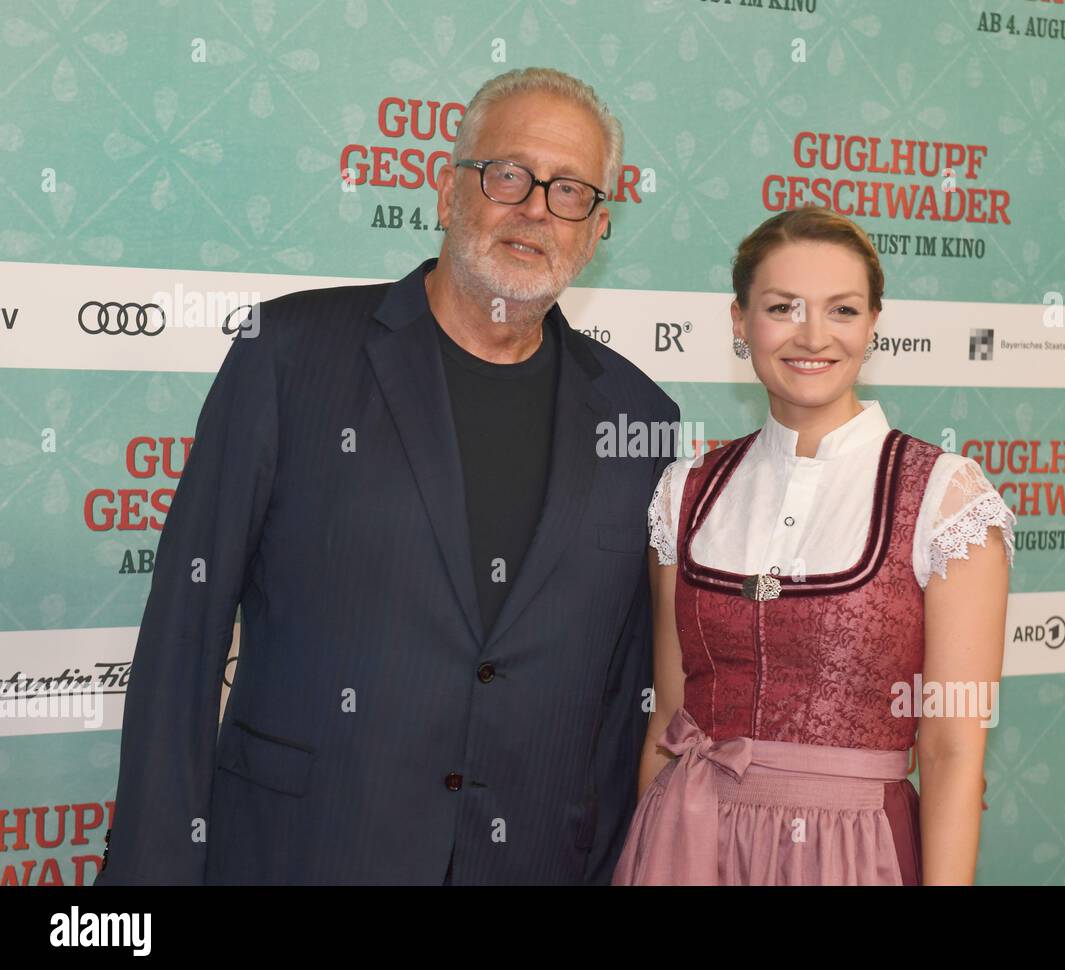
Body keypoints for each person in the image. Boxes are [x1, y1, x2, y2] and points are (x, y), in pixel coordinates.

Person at [96, 67, 679, 885]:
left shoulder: (641, 419)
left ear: (596, 228)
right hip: (303, 853)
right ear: (449, 192)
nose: (536, 207)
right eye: (508, 173)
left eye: (571, 191)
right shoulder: (290, 354)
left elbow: (629, 694)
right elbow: (184, 638)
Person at [612, 205, 1015, 885]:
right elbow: (667, 719)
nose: (813, 335)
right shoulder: (686, 489)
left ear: (874, 325)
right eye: (783, 307)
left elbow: (951, 752)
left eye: (843, 310)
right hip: (686, 841)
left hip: (851, 855)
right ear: (739, 323)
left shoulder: (945, 496)